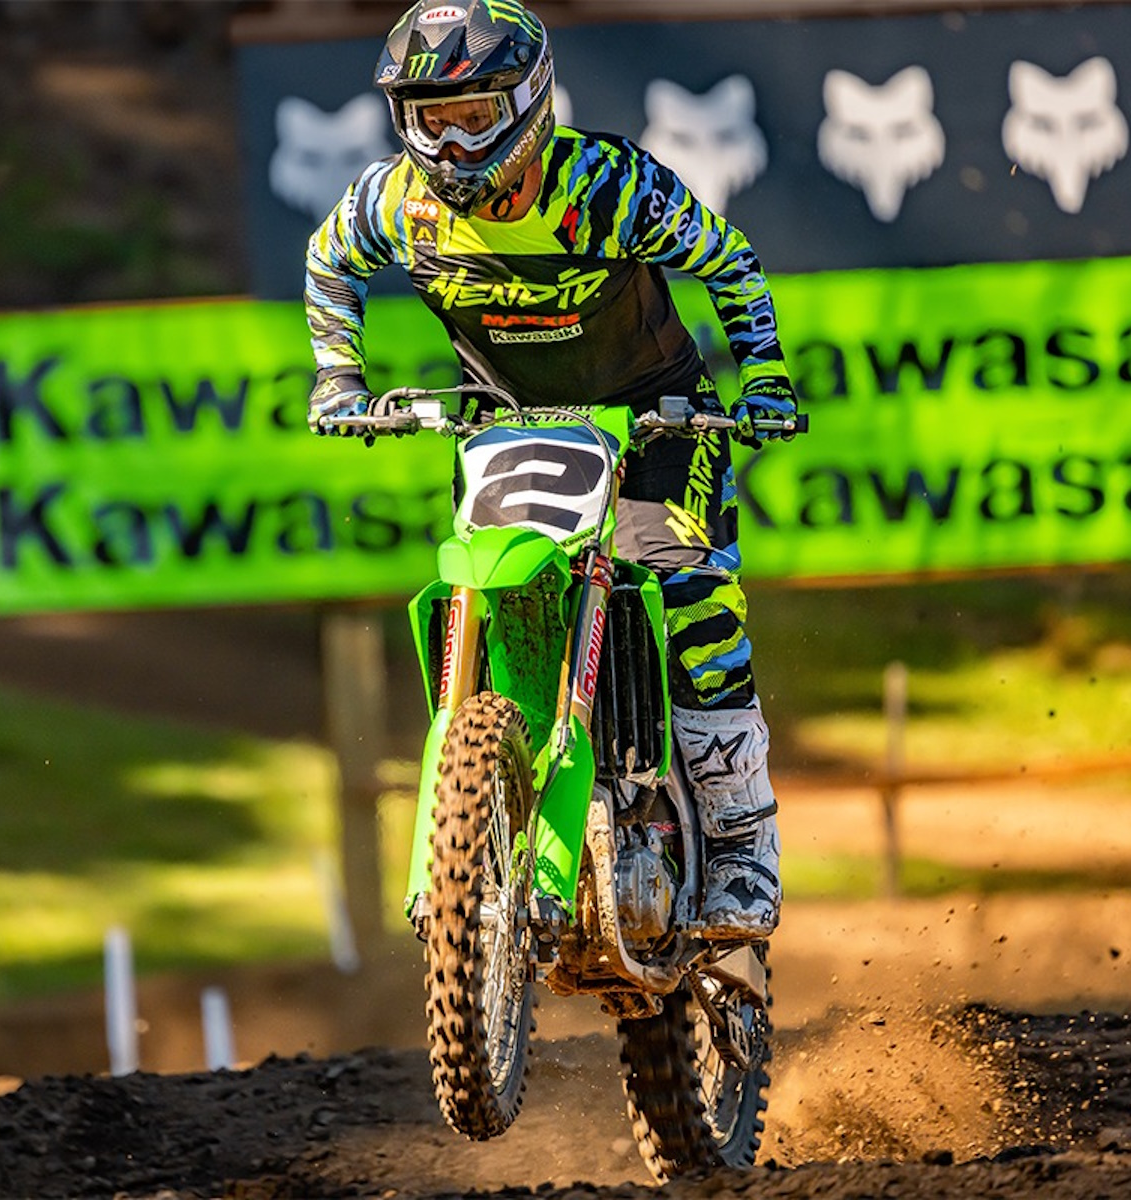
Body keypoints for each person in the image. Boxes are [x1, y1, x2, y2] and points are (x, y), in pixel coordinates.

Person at [302, 0, 797, 940]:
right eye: (429, 122)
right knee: (486, 588)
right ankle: (488, 811)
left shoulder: (608, 189)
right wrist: (339, 376)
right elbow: (331, 264)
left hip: (657, 421)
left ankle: (741, 846)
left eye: (473, 118)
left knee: (693, 608)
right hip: (508, 424)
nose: (450, 148)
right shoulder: (395, 204)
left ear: (528, 105)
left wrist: (763, 374)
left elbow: (728, 262)